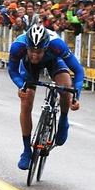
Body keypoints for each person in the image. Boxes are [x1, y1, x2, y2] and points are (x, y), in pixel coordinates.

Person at [8, 25, 84, 170]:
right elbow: (12, 69)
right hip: (28, 67)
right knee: (26, 100)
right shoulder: (18, 46)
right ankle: (26, 150)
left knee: (66, 85)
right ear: (27, 47)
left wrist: (76, 95)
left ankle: (63, 119)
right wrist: (20, 85)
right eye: (31, 51)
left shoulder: (56, 46)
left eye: (39, 52)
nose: (35, 55)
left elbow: (79, 70)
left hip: (52, 61)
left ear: (46, 47)